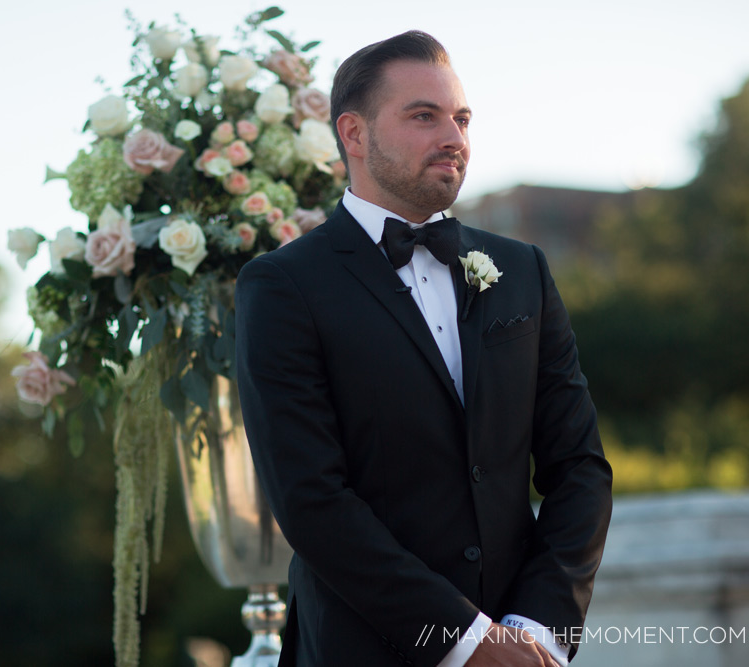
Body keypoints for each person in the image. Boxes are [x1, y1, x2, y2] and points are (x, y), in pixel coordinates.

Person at [235, 30, 612, 667]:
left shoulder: (520, 270)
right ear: (353, 134)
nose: (454, 138)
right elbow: (310, 499)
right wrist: (467, 643)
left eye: (461, 118)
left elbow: (579, 468)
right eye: (423, 116)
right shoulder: (283, 286)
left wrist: (535, 631)